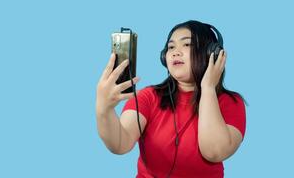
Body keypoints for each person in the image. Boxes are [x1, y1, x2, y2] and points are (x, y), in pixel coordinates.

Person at [96, 20, 246, 178]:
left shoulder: (231, 103)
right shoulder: (148, 97)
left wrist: (208, 88)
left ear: (211, 54)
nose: (176, 52)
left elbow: (214, 152)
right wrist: (104, 110)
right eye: (171, 47)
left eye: (187, 45)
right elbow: (120, 144)